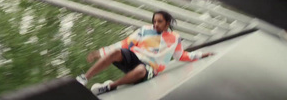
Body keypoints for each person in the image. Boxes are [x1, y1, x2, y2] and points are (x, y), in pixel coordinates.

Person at [76, 11, 214, 95]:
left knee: (141, 71)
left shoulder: (175, 38)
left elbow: (180, 55)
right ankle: (84, 78)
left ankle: (109, 86)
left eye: (159, 21)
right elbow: (126, 43)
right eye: (154, 21)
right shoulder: (145, 30)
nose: (155, 24)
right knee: (116, 52)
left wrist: (202, 55)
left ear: (167, 23)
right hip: (134, 57)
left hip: (150, 67)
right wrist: (100, 53)